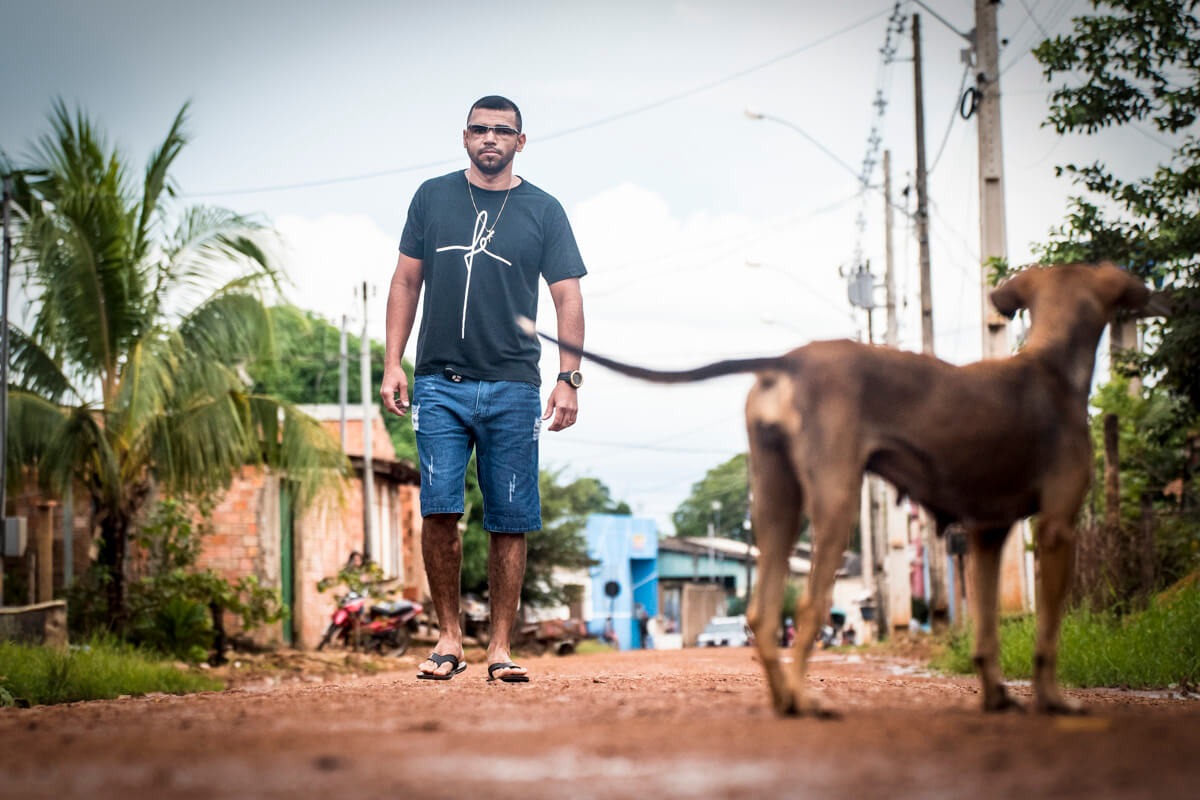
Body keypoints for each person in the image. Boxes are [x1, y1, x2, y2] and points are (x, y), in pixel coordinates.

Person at [380, 95, 586, 683]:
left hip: (514, 385)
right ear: (464, 137)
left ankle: (499, 648)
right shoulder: (432, 197)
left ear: (521, 141)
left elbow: (567, 295)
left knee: (509, 517)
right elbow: (405, 280)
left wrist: (569, 378)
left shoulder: (543, 210)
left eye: (502, 131)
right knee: (440, 508)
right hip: (438, 382)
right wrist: (394, 363)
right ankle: (449, 639)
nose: (489, 138)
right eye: (479, 129)